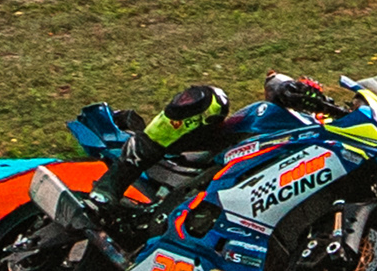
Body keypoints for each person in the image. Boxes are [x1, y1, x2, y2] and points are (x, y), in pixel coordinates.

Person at [86, 71, 341, 210]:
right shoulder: (324, 118)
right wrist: (293, 89)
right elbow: (274, 81)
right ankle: (111, 185)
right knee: (210, 100)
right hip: (227, 147)